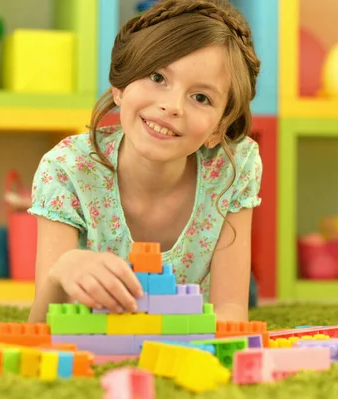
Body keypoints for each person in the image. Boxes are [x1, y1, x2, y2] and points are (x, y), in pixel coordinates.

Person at [27, 0, 262, 323]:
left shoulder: (233, 166)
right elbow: (42, 323)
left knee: (247, 292)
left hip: (195, 304)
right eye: (157, 77)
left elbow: (231, 311)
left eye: (201, 98)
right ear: (121, 88)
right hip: (103, 322)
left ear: (219, 129)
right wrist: (61, 272)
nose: (172, 106)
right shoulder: (67, 169)